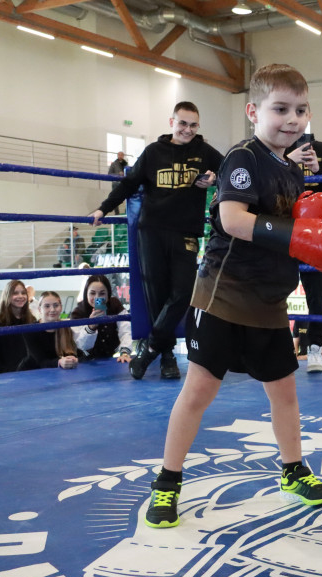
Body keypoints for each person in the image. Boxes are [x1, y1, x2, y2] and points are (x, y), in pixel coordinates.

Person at [141, 63, 322, 530]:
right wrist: (295, 233)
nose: (291, 119)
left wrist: (308, 229)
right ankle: (167, 483)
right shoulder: (243, 157)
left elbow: (291, 227)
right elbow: (233, 220)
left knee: (285, 392)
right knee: (198, 392)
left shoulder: (291, 169)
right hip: (224, 295)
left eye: (299, 110)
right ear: (254, 111)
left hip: (270, 300)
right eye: (280, 109)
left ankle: (293, 471)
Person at [91, 101, 223, 380]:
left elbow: (231, 173)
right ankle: (166, 357)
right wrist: (104, 207)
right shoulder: (153, 151)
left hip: (185, 232)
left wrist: (214, 179)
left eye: (193, 125)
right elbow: (129, 183)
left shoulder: (204, 151)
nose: (187, 129)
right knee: (156, 296)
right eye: (182, 123)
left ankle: (149, 349)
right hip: (151, 230)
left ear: (198, 126)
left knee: (183, 292)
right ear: (171, 122)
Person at [286, 133, 322, 374]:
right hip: (284, 228)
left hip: (315, 232)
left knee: (317, 294)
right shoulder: (277, 147)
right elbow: (266, 183)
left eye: (300, 111)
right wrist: (288, 160)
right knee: (273, 288)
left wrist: (318, 169)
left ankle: (316, 348)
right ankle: (271, 346)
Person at [70, 274, 132, 363]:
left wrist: (125, 352)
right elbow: (81, 345)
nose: (97, 298)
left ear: (108, 294)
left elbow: (125, 329)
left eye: (102, 293)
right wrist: (91, 327)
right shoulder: (78, 313)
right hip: (85, 362)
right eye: (92, 293)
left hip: (109, 359)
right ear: (86, 293)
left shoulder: (114, 305)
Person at [0, 278, 36, 374]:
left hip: (28, 374)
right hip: (5, 375)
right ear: (7, 295)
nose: (20, 296)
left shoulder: (31, 319)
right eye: (15, 293)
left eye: (23, 293)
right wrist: (1, 373)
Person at [18, 291, 79, 371]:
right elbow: (41, 362)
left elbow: (73, 351)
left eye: (56, 305)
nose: (52, 309)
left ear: (61, 307)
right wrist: (59, 362)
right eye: (47, 306)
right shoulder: (30, 330)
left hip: (56, 374)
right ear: (40, 309)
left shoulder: (66, 328)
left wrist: (73, 359)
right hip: (30, 373)